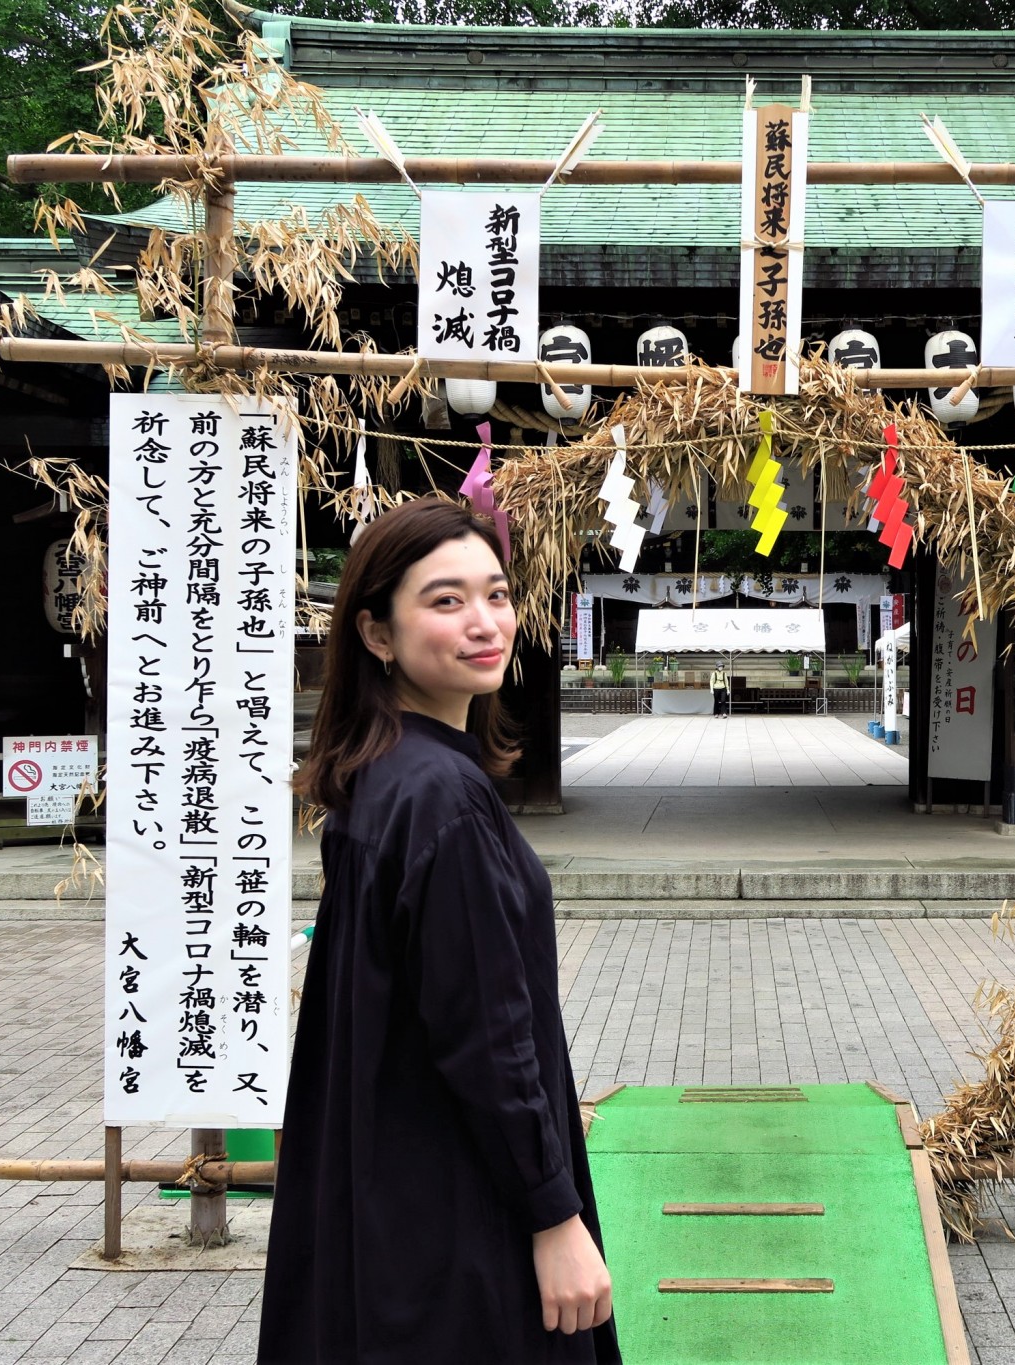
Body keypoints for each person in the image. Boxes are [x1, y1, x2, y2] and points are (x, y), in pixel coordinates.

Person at [260, 497, 620, 1363]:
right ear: (378, 634)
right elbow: (486, 1035)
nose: (484, 622)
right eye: (445, 600)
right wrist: (553, 1214)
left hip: (391, 1173)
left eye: (495, 595)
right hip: (458, 1199)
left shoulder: (385, 775)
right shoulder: (442, 797)